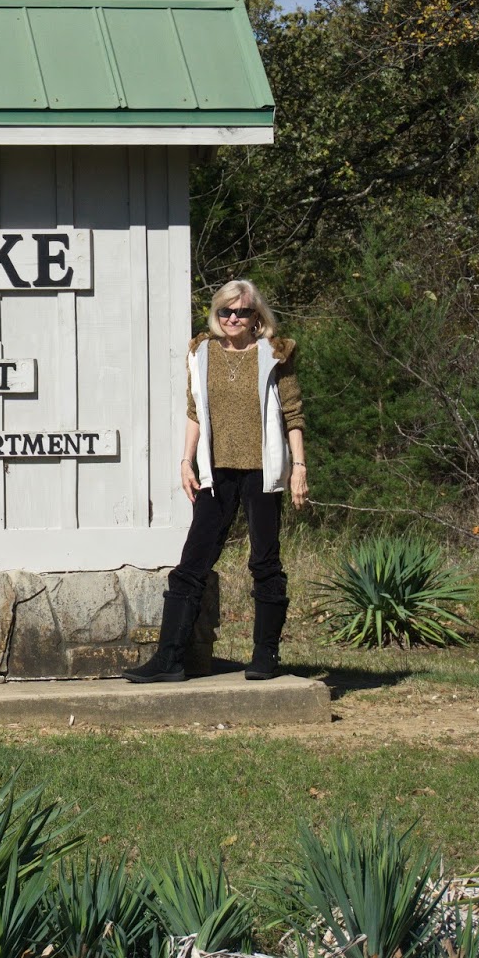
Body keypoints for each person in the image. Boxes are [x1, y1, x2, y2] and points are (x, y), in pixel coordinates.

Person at [122, 279, 308, 683]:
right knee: (192, 563)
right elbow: (194, 411)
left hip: (262, 472)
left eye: (241, 311)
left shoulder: (275, 354)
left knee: (265, 561)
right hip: (214, 471)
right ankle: (168, 660)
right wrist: (185, 461)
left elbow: (293, 415)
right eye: (225, 311)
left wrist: (300, 468)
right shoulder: (201, 352)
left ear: (257, 315)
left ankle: (264, 656)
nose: (232, 318)